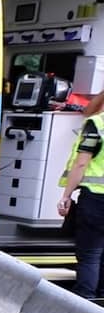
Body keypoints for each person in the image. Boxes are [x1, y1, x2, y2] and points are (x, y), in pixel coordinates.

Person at [57, 92, 104, 298]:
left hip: (96, 199)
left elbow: (82, 162)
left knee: (90, 256)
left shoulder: (98, 124)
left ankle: (84, 305)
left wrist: (66, 195)